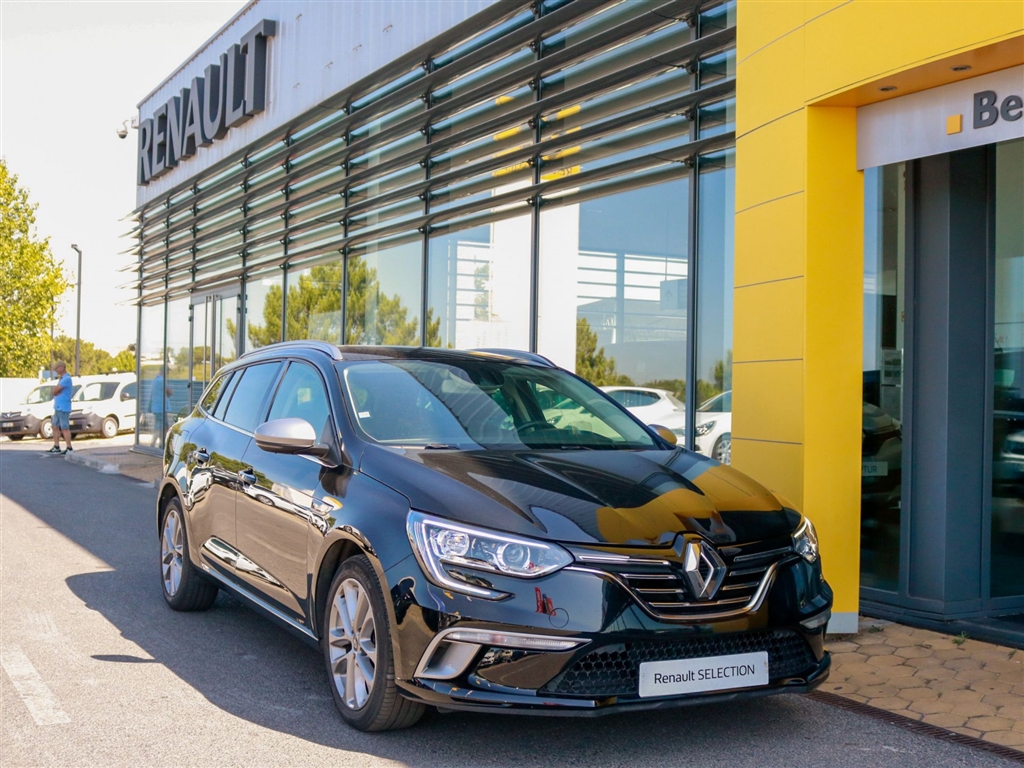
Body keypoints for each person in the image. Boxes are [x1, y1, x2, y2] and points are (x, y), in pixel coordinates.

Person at [48, 361, 74, 454]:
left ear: (63, 367)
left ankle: (69, 447)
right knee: (55, 426)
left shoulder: (66, 378)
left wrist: (55, 391)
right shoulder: (61, 379)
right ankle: (56, 446)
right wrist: (55, 391)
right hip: (58, 407)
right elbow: (54, 391)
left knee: (64, 427)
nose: (56, 370)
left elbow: (55, 390)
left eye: (57, 367)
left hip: (64, 407)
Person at [149, 371, 174, 438]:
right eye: (167, 372)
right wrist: (170, 390)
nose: (168, 375)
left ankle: (157, 443)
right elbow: (170, 392)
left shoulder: (155, 380)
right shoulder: (161, 381)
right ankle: (161, 444)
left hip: (156, 407)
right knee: (163, 428)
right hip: (161, 408)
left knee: (159, 427)